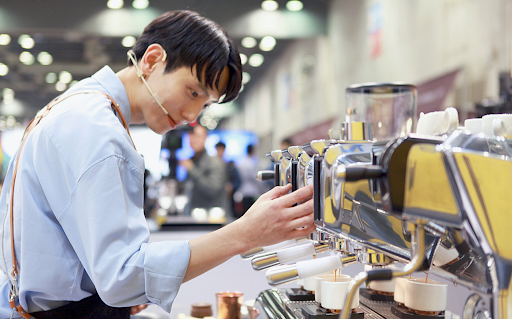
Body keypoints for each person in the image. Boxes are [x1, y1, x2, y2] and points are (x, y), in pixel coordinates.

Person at [0, 10, 315, 319]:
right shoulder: (98, 130)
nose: (192, 115)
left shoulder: (78, 107)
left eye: (204, 104)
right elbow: (122, 277)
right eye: (192, 92)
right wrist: (246, 233)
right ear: (151, 60)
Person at [180, 125, 228, 215]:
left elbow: (212, 189)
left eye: (198, 136)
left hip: (212, 217)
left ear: (206, 137)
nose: (194, 140)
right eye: (191, 136)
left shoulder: (214, 162)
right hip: (195, 215)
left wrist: (192, 170)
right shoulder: (192, 160)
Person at [235, 144, 264, 217]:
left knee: (244, 214)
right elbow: (256, 178)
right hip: (252, 192)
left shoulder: (240, 163)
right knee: (251, 214)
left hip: (242, 191)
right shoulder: (252, 164)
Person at [215, 141, 241, 218]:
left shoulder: (229, 166)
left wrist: (231, 186)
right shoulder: (212, 165)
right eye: (218, 150)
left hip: (228, 198)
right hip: (215, 197)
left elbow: (238, 181)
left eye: (221, 150)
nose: (220, 152)